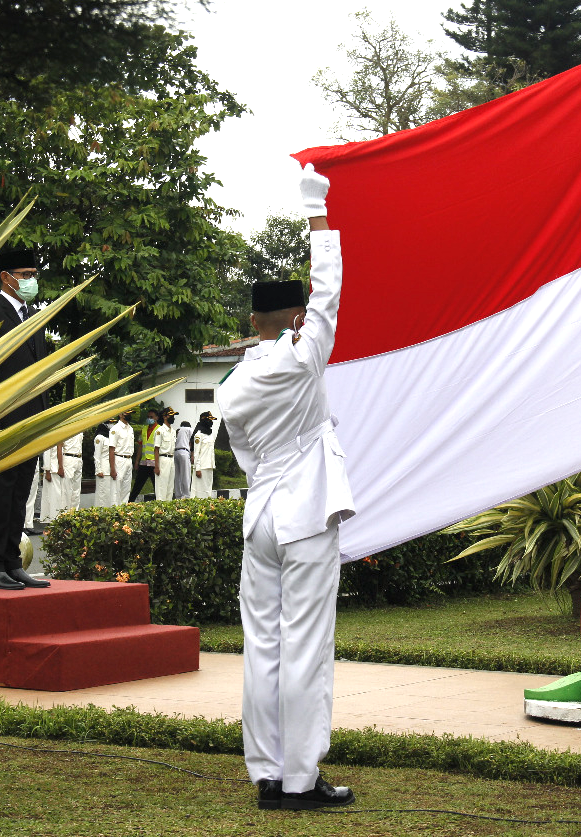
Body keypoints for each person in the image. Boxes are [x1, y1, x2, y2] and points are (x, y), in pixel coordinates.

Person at [216, 163, 356, 810]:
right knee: (305, 647)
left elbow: (245, 453)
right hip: (306, 515)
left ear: (252, 317)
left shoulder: (234, 384)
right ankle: (301, 777)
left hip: (261, 515)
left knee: (263, 648)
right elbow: (331, 288)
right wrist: (316, 208)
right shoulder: (303, 357)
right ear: (295, 316)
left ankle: (267, 772)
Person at [0, 248, 51, 590]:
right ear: (6, 277)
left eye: (34, 275)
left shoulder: (33, 317)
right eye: (25, 274)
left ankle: (13, 562)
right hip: (2, 421)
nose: (31, 281)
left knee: (20, 494)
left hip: (31, 422)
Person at [42, 430, 84, 520]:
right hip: (68, 458)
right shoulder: (67, 430)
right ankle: (65, 516)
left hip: (79, 458)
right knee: (67, 490)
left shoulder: (80, 430)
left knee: (76, 491)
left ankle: (74, 515)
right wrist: (60, 466)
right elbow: (59, 447)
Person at [129, 409, 162, 502]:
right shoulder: (143, 429)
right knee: (137, 486)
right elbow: (140, 446)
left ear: (157, 418)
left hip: (154, 463)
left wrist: (157, 465)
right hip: (144, 463)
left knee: (157, 486)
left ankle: (160, 504)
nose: (149, 419)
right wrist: (136, 461)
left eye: (151, 417)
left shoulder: (160, 430)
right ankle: (130, 502)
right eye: (148, 417)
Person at [109, 410, 136, 504]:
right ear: (120, 414)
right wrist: (112, 468)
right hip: (119, 459)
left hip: (129, 459)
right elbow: (111, 449)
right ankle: (115, 512)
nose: (129, 415)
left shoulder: (131, 429)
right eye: (127, 413)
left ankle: (123, 511)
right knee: (116, 489)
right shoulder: (115, 429)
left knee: (126, 488)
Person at [192, 412, 217, 498]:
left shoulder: (210, 435)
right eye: (209, 420)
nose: (211, 422)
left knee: (208, 491)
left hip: (209, 466)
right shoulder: (198, 435)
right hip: (202, 467)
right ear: (204, 420)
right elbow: (196, 453)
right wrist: (197, 468)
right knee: (200, 491)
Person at [155, 408, 178, 501]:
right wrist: (156, 466)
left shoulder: (173, 431)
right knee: (162, 486)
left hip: (171, 459)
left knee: (170, 486)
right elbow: (156, 449)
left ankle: (168, 508)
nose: (173, 417)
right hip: (163, 459)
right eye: (170, 415)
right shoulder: (160, 431)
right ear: (164, 417)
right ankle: (160, 509)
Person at [92, 422, 116, 507]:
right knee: (102, 495)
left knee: (110, 495)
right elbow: (97, 455)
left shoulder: (111, 437)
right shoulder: (99, 438)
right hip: (103, 470)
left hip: (111, 470)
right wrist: (98, 470)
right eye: (110, 423)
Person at [173, 421, 194, 499]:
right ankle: (186, 495)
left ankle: (178, 495)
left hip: (176, 452)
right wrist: (192, 454)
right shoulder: (189, 429)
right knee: (185, 474)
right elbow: (193, 441)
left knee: (177, 475)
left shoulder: (178, 430)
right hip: (184, 452)